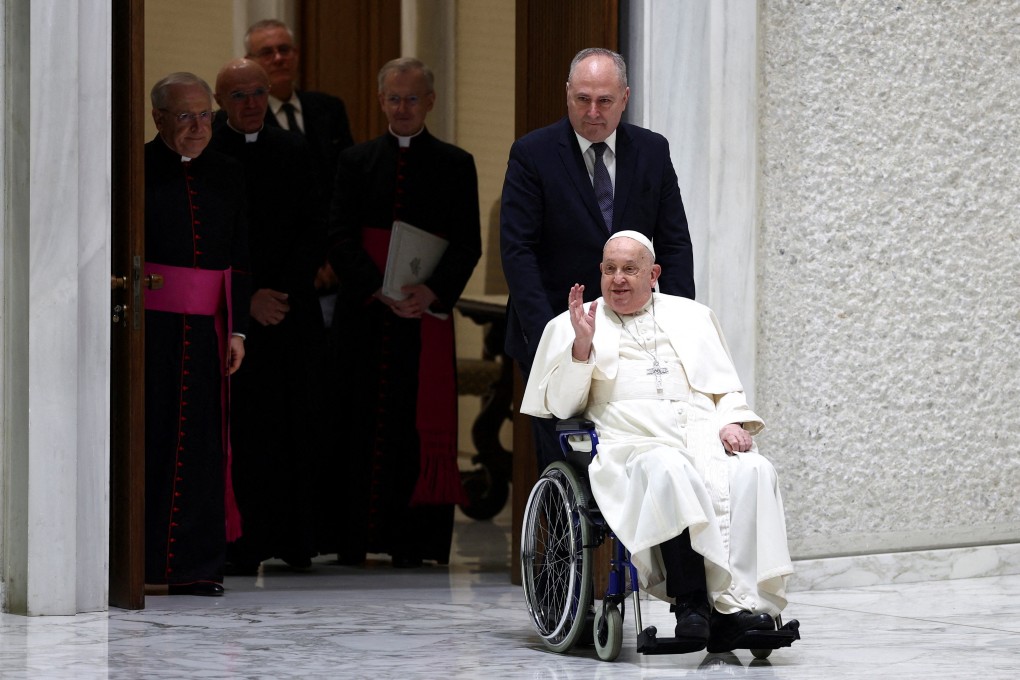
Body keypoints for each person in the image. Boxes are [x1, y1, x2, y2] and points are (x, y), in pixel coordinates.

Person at [521, 231, 794, 652]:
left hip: (699, 433)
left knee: (754, 470)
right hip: (629, 442)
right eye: (609, 269)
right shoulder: (574, 322)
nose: (617, 279)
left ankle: (744, 608)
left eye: (630, 269)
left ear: (654, 273)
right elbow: (561, 405)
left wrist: (731, 422)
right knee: (669, 467)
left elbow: (724, 391)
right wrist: (581, 345)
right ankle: (692, 605)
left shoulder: (693, 317)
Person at [501, 47, 696, 469]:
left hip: (635, 338)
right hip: (555, 330)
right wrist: (552, 339)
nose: (593, 111)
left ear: (624, 98)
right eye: (582, 99)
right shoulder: (532, 154)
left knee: (646, 458)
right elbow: (518, 252)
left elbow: (675, 245)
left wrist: (682, 329)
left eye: (605, 101)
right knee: (569, 471)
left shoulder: (652, 151)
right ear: (567, 93)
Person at [323, 57, 481, 567]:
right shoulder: (355, 160)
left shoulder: (456, 163)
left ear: (430, 102)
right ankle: (351, 537)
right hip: (365, 316)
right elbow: (339, 235)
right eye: (394, 98)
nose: (402, 107)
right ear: (381, 100)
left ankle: (414, 541)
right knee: (355, 421)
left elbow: (467, 243)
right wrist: (378, 286)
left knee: (413, 427)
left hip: (422, 321)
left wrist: (431, 292)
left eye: (412, 98)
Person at [208, 59, 327, 573]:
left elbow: (315, 225)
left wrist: (281, 290)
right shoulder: (208, 151)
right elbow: (217, 237)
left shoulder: (295, 148)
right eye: (239, 96)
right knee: (244, 431)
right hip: (232, 313)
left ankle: (295, 541)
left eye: (259, 92)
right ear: (220, 102)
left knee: (295, 423)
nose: (252, 103)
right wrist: (249, 296)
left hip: (290, 309)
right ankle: (239, 543)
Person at [144, 72, 251, 596]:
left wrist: (239, 331)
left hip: (211, 332)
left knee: (206, 447)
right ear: (158, 118)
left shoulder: (229, 172)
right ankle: (144, 563)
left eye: (205, 115)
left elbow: (241, 255)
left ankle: (197, 566)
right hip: (152, 331)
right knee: (154, 439)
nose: (197, 127)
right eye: (184, 116)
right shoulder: (135, 168)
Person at [244, 18, 355, 214]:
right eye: (267, 52)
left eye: (284, 49)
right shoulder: (243, 118)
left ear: (296, 55)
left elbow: (347, 175)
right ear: (249, 61)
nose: (278, 58)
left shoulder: (330, 108)